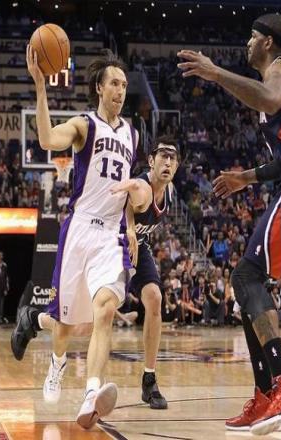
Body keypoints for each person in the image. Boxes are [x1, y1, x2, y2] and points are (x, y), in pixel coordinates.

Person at [178, 13, 281, 435]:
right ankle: (267, 393)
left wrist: (215, 73)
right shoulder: (279, 89)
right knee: (248, 284)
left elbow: (268, 99)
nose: (247, 43)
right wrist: (244, 178)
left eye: (252, 36)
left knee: (246, 276)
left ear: (268, 41)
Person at [11, 46, 138, 430]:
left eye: (124, 85)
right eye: (114, 83)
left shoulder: (133, 133)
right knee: (66, 326)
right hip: (79, 229)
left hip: (111, 235)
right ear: (99, 87)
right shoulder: (85, 125)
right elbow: (48, 139)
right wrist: (40, 87)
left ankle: (91, 393)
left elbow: (127, 187)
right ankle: (56, 362)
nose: (120, 90)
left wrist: (131, 225)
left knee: (104, 311)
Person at [109, 136, 180, 409]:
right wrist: (129, 227)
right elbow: (133, 195)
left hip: (139, 245)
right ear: (151, 161)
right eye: (163, 156)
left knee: (155, 298)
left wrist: (135, 234)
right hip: (112, 242)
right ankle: (36, 320)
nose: (168, 162)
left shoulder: (169, 190)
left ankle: (149, 379)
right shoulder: (144, 186)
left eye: (172, 158)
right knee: (88, 319)